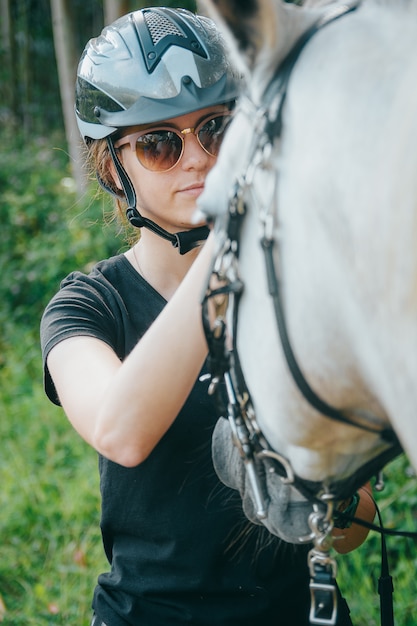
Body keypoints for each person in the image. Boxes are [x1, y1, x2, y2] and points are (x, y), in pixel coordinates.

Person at [40, 7, 375, 626]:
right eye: (159, 143)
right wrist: (234, 237)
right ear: (114, 167)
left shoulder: (291, 291)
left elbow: (351, 532)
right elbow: (121, 430)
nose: (196, 158)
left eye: (217, 129)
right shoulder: (90, 304)